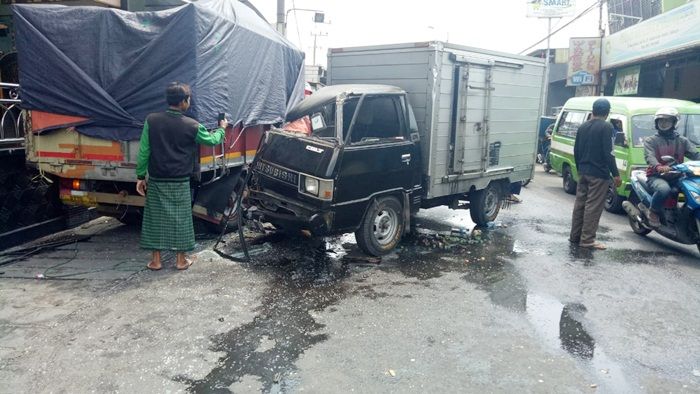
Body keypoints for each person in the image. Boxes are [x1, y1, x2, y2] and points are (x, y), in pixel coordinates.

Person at [136, 82, 228, 271]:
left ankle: (156, 261)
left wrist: (140, 176)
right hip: (179, 182)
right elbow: (212, 141)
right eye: (189, 100)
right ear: (184, 101)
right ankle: (180, 261)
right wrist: (222, 128)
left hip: (157, 180)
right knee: (181, 220)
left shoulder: (151, 120)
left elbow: (144, 151)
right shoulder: (192, 125)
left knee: (155, 219)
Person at [569, 98, 622, 250]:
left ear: (593, 111)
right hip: (599, 174)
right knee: (593, 207)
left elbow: (576, 150)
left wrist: (580, 168)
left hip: (583, 171)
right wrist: (616, 174)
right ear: (607, 113)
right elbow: (609, 153)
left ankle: (575, 236)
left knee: (580, 205)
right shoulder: (607, 127)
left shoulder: (583, 127)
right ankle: (587, 240)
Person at [643, 107, 700, 227]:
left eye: (667, 121)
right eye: (661, 121)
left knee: (693, 189)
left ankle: (683, 213)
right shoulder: (650, 140)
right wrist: (658, 166)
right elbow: (650, 156)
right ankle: (653, 211)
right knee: (664, 190)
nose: (664, 124)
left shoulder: (682, 141)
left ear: (674, 123)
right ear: (656, 123)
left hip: (678, 176)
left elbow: (696, 154)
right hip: (656, 176)